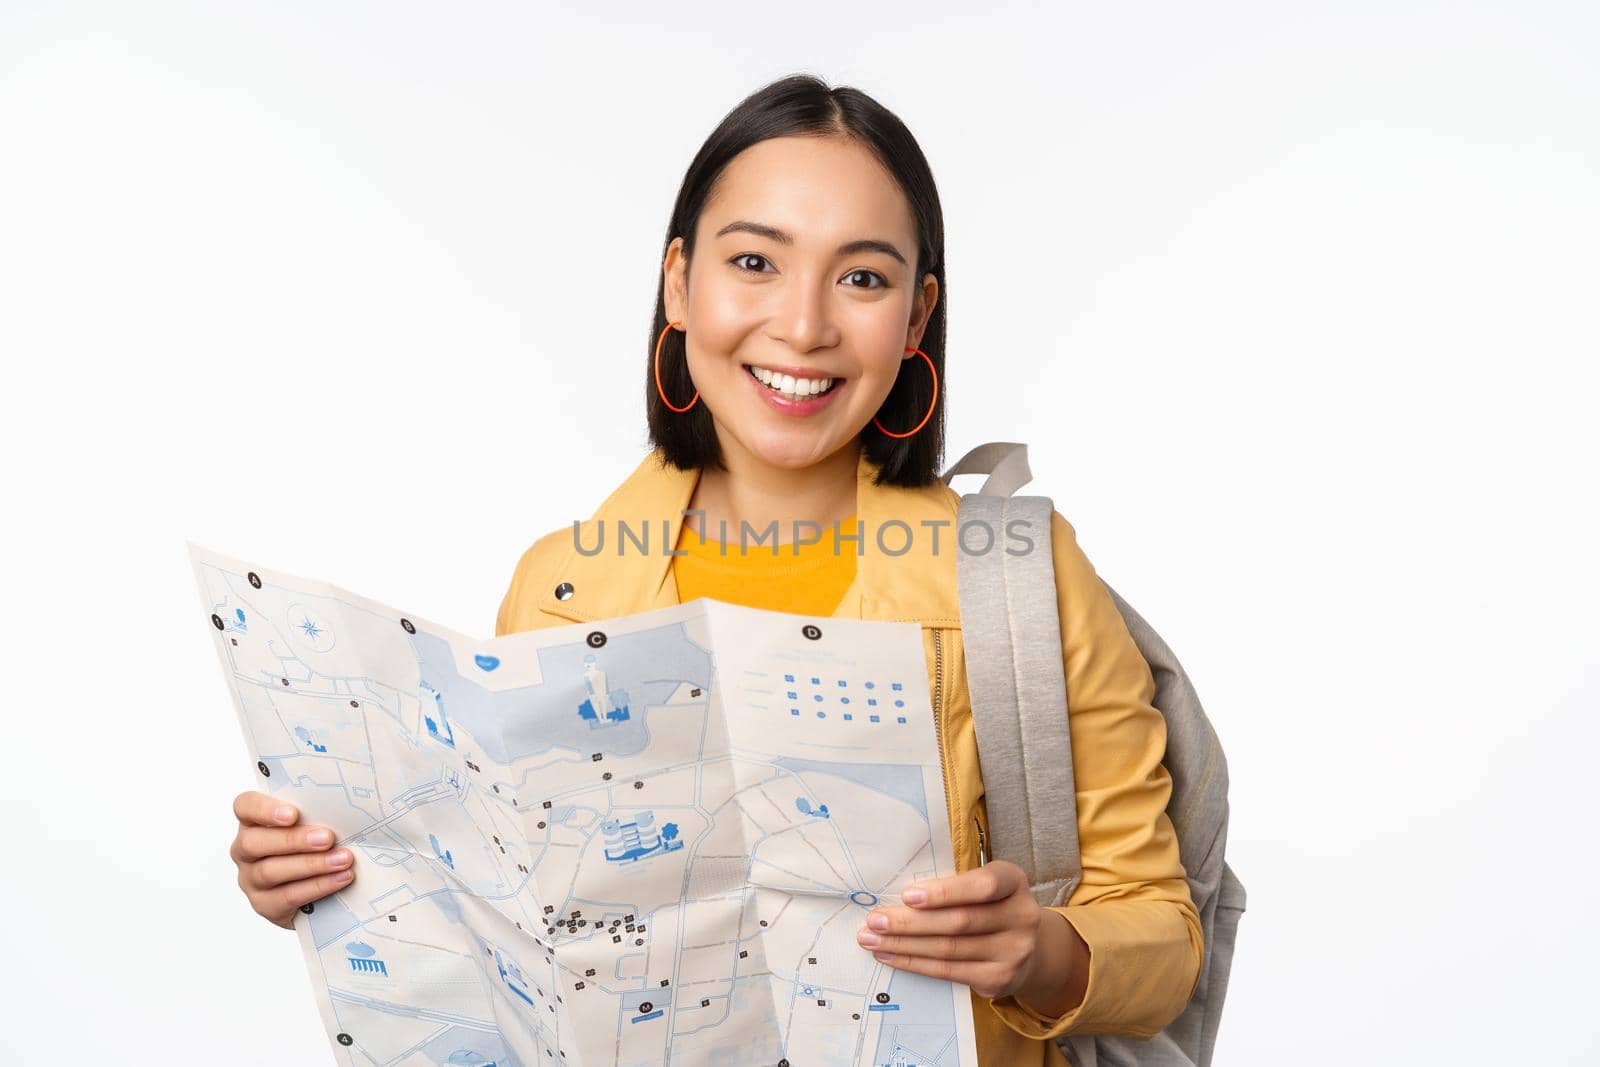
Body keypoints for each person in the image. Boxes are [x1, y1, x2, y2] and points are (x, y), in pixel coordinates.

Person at [228, 73, 1202, 1065]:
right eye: (755, 262)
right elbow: (514, 929)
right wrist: (339, 875)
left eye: (862, 277)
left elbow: (1161, 935)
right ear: (679, 283)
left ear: (916, 316)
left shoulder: (1014, 577)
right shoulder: (561, 589)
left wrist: (1034, 950)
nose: (805, 324)